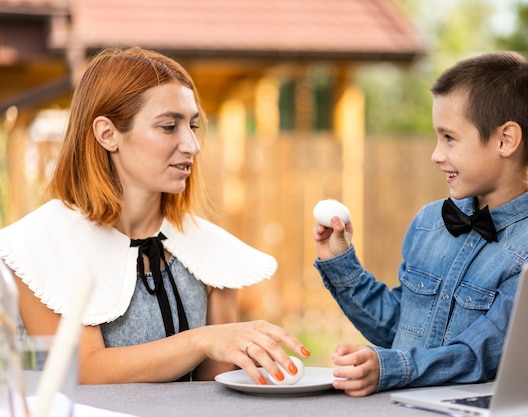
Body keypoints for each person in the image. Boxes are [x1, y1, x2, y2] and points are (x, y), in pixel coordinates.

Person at [0, 47, 309, 385]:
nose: (192, 145)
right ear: (107, 134)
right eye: (168, 126)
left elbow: (212, 391)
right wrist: (203, 340)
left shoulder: (210, 251)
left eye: (192, 125)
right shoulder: (38, 245)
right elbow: (82, 371)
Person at [312, 51, 528, 396]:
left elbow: (483, 355)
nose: (436, 154)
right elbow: (399, 328)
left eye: (449, 138)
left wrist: (392, 367)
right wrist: (340, 263)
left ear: (505, 140)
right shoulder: (430, 222)